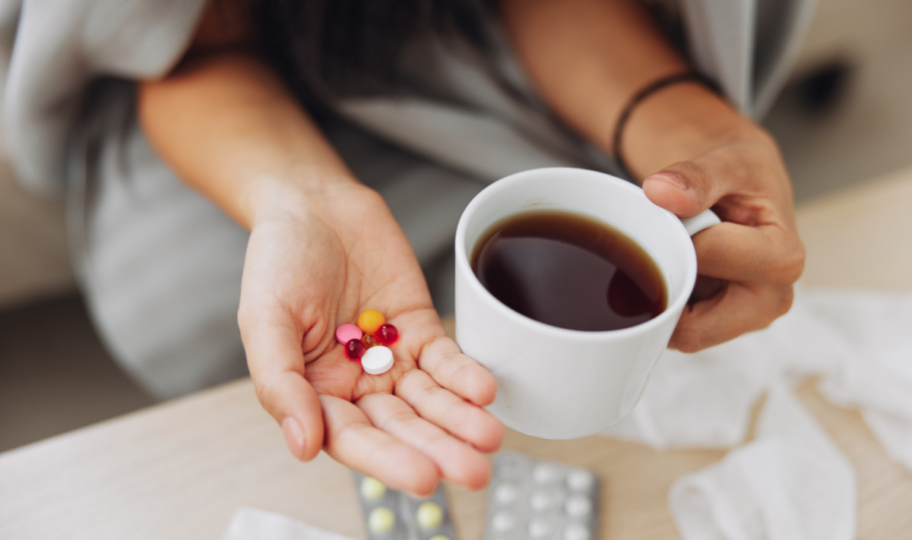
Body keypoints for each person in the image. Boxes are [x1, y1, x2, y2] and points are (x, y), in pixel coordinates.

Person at [4, 0, 804, 496]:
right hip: (222, 57)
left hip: (456, 32)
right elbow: (190, 45)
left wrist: (688, 131)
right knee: (178, 297)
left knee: (591, 180)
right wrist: (301, 198)